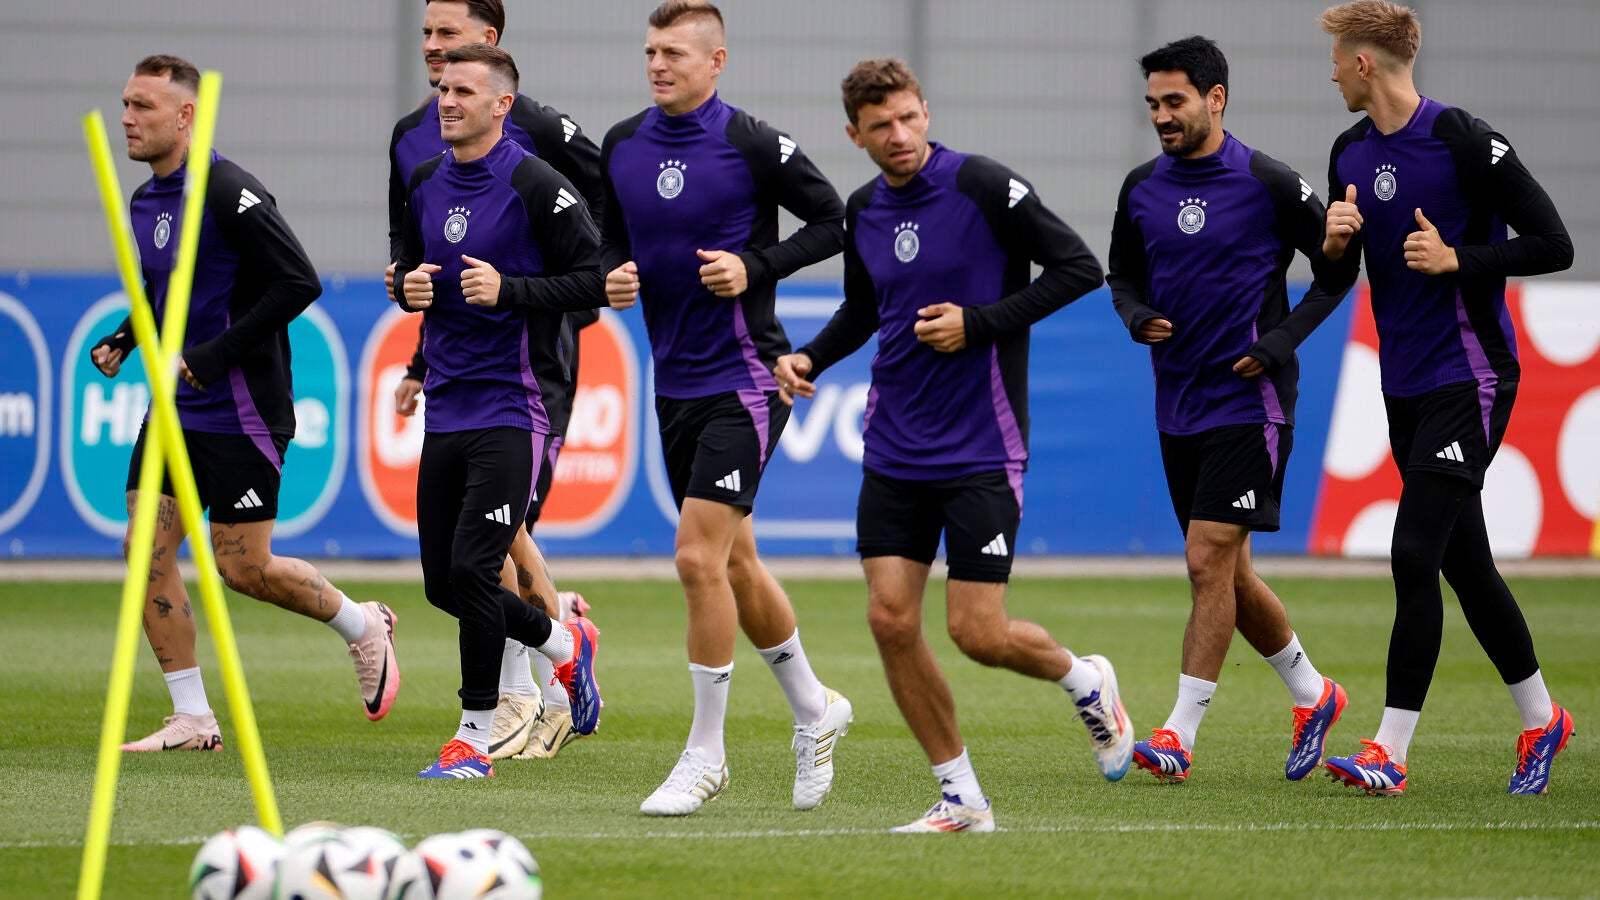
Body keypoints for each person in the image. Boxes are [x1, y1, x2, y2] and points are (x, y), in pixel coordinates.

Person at [773, 57, 1128, 833]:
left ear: (925, 112)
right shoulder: (865, 209)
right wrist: (809, 358)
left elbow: (1079, 269)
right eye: (880, 126)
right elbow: (864, 309)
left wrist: (980, 322)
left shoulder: (984, 186)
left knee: (977, 632)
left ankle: (1083, 679)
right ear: (855, 135)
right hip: (894, 445)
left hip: (980, 446)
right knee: (889, 620)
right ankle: (961, 796)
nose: (898, 135)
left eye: (907, 118)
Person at [92, 54, 401, 751]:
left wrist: (212, 356)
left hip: (241, 408)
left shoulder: (230, 190)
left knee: (243, 569)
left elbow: (298, 282)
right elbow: (165, 291)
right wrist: (125, 338)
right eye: (125, 104)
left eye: (142, 106)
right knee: (144, 547)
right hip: (174, 409)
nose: (127, 118)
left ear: (186, 115)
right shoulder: (144, 201)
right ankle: (194, 718)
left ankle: (363, 625)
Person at [599, 0, 852, 816]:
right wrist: (611, 274)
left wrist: (755, 264)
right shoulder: (622, 144)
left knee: (695, 559)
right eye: (650, 50)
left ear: (716, 61)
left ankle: (705, 754)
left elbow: (835, 221)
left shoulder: (752, 142)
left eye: (674, 52)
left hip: (745, 380)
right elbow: (608, 238)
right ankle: (815, 707)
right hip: (671, 381)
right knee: (736, 562)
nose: (657, 63)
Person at [1316, 1, 1575, 796]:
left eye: (1337, 59)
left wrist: (1459, 257)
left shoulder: (1464, 138)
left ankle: (1389, 751)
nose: (1331, 73)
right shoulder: (1348, 152)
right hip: (1404, 387)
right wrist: (1334, 244)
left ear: (1365, 64)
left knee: (1412, 553)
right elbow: (1340, 275)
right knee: (1466, 564)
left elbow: (1554, 244)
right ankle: (1543, 720)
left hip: (1472, 377)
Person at [1105, 36, 1353, 786]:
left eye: (1174, 101)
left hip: (1252, 403)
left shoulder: (1267, 181)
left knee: (1205, 557)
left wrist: (1279, 342)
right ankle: (1314, 694)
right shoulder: (1140, 188)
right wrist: (1135, 315)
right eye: (1153, 103)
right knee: (1231, 575)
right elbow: (1122, 275)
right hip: (1177, 403)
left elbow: (1337, 272)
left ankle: (1177, 736)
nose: (1161, 116)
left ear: (1216, 99)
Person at [386, 0, 603, 763]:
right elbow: (414, 275)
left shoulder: (537, 183)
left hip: (515, 404)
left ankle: (472, 739)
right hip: (447, 405)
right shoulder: (422, 180)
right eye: (444, 89)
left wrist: (511, 290)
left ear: (502, 104)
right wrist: (407, 288)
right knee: (443, 586)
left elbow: (595, 278)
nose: (446, 101)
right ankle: (564, 644)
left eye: (464, 91)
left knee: (475, 570)